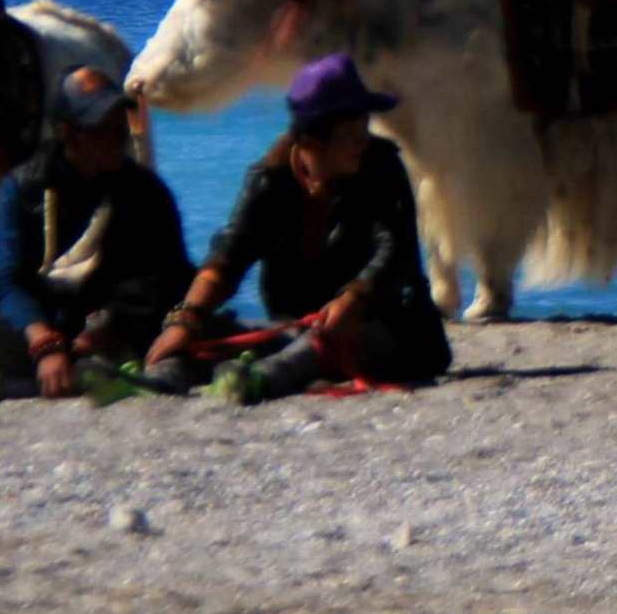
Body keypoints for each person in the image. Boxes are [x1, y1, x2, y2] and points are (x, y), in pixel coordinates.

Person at [145, 55, 452, 402]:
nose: (362, 140)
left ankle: (257, 382)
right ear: (310, 142)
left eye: (364, 126)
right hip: (295, 325)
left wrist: (354, 299)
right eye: (350, 132)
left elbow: (396, 251)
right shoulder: (268, 180)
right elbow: (228, 258)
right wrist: (187, 319)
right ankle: (163, 375)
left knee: (316, 345)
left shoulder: (382, 167)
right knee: (205, 334)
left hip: (390, 329)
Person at [0, 66, 194, 403]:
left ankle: (12, 381)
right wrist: (44, 342)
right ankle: (42, 373)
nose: (117, 139)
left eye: (120, 128)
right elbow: (7, 280)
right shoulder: (22, 188)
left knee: (151, 352)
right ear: (68, 134)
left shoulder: (147, 194)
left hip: (108, 330)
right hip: (41, 323)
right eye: (102, 130)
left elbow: (162, 279)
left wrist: (110, 325)